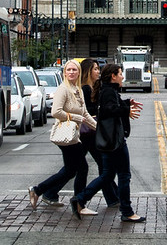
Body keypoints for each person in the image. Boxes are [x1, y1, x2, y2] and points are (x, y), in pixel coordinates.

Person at [70, 64, 146, 223]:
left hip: (108, 141)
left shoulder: (107, 90)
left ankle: (80, 199)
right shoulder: (109, 91)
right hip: (114, 142)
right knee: (124, 175)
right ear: (113, 76)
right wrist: (126, 110)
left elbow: (111, 106)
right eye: (120, 74)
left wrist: (127, 103)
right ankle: (127, 211)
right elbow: (108, 109)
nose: (123, 77)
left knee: (107, 175)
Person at [27, 60, 97, 215]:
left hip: (73, 135)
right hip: (66, 134)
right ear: (64, 72)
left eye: (74, 70)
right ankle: (79, 203)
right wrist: (75, 118)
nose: (71, 72)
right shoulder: (63, 89)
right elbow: (56, 112)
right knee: (83, 168)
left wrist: (97, 128)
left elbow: (85, 113)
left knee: (70, 170)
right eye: (68, 70)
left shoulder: (77, 89)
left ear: (79, 72)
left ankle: (37, 190)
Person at [78, 58, 119, 208]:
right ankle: (79, 199)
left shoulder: (93, 87)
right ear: (88, 71)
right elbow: (87, 111)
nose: (98, 72)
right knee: (75, 168)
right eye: (95, 69)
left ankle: (113, 197)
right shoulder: (85, 89)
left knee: (99, 166)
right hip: (87, 132)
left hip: (91, 132)